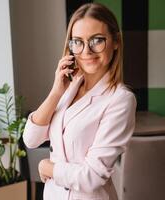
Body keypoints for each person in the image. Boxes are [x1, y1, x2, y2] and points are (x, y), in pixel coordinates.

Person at [23, 3, 136, 200]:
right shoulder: (69, 87)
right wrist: (56, 91)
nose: (86, 51)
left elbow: (92, 176)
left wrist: (47, 167)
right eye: (78, 42)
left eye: (97, 40)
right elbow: (31, 139)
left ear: (116, 41)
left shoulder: (120, 100)